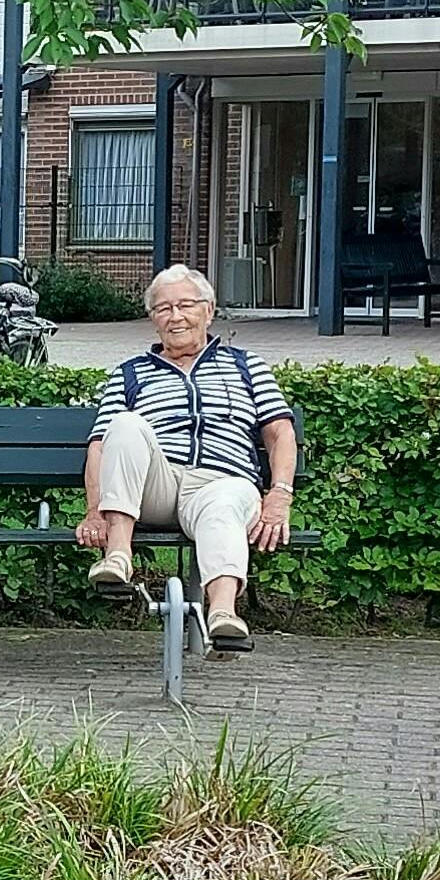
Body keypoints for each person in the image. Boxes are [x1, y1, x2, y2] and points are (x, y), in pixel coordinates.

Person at [77, 265, 298, 653]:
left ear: (208, 311)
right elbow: (101, 446)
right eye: (163, 308)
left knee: (223, 504)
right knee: (124, 424)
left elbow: (280, 432)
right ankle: (118, 557)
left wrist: (279, 495)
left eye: (185, 305)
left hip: (222, 480)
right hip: (157, 487)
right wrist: (95, 511)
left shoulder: (246, 365)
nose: (175, 316)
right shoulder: (129, 373)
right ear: (153, 319)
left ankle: (223, 616)